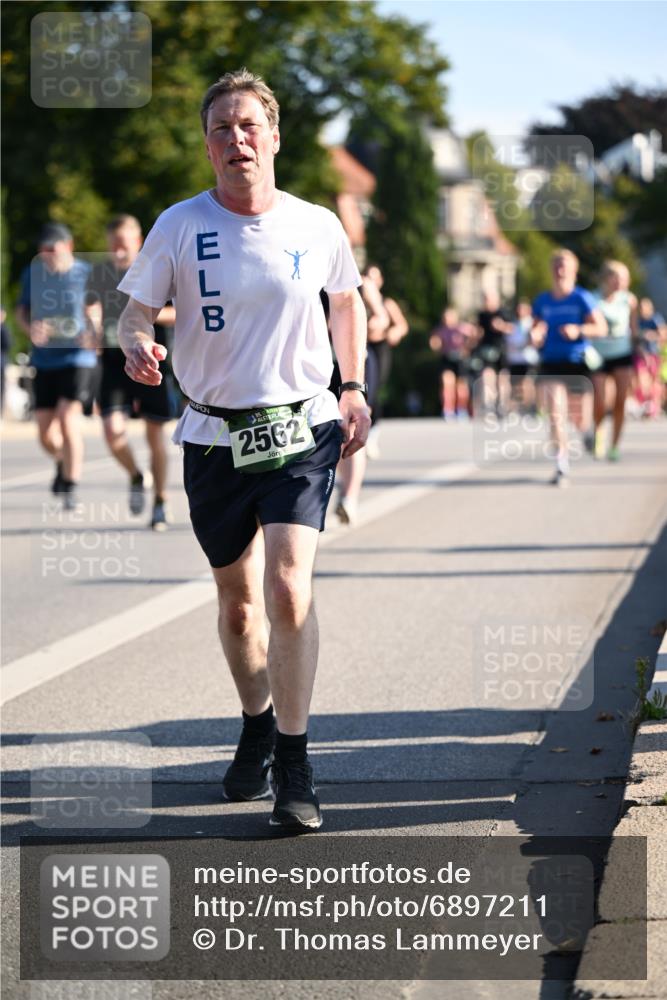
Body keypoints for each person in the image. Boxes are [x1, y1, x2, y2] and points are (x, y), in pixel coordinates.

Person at [117, 68, 370, 831]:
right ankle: (256, 720)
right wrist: (136, 345)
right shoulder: (178, 225)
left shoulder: (316, 224)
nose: (236, 139)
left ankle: (294, 764)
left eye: (248, 125)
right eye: (221, 128)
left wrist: (352, 386)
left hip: (301, 429)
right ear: (207, 147)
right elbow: (133, 314)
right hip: (213, 436)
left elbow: (345, 302)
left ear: (274, 137)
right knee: (238, 608)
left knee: (288, 587)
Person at [89, 215, 176, 529]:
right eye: (114, 245)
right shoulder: (100, 273)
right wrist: (94, 323)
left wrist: (139, 318)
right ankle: (137, 476)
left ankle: (161, 502)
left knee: (155, 435)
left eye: (124, 244)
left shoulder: (153, 270)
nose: (119, 251)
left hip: (151, 359)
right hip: (113, 364)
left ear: (137, 242)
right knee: (113, 432)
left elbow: (178, 312)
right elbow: (91, 307)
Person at [15, 223, 98, 509]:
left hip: (78, 358)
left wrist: (95, 325)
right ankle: (63, 461)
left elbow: (103, 309)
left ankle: (71, 485)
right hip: (44, 359)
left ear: (68, 247)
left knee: (67, 419)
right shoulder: (32, 274)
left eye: (53, 249)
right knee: (44, 432)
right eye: (43, 250)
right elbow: (21, 311)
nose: (48, 255)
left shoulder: (87, 273)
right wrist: (30, 329)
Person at [531, 249, 607, 487]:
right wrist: (534, 336)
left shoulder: (582, 298)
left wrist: (579, 330)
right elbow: (534, 330)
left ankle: (586, 434)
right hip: (551, 363)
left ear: (574, 271)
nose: (560, 270)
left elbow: (601, 329)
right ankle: (561, 466)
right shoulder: (542, 301)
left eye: (564, 266)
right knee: (555, 413)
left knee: (579, 419)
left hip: (577, 363)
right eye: (556, 265)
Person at [591, 261, 638, 461]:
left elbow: (634, 330)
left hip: (622, 353)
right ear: (606, 278)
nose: (621, 282)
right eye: (617, 277)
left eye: (625, 278)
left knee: (620, 401)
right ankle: (598, 433)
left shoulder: (629, 300)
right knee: (600, 401)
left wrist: (640, 350)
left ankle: (615, 445)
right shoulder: (592, 299)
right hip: (598, 355)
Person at [362, 264, 408, 458]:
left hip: (379, 347)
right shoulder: (356, 300)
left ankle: (373, 432)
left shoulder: (386, 303)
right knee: (362, 389)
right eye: (368, 277)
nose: (372, 282)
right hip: (360, 347)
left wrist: (392, 333)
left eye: (375, 278)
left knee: (375, 389)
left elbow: (402, 326)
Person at [471, 291, 514, 416]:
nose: (487, 302)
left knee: (502, 378)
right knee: (487, 375)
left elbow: (512, 329)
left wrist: (501, 326)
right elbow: (478, 331)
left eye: (489, 299)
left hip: (501, 348)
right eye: (485, 299)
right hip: (486, 348)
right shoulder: (482, 314)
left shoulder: (503, 312)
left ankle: (502, 404)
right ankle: (489, 404)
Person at [429, 306, 476, 419]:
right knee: (447, 383)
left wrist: (467, 347)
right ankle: (448, 409)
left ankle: (461, 409)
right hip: (447, 359)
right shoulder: (441, 330)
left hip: (460, 360)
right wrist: (436, 344)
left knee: (461, 387)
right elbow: (435, 343)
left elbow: (475, 335)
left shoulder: (463, 328)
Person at [505, 299, 539, 413]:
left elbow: (534, 340)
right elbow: (508, 341)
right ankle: (517, 408)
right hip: (515, 359)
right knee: (515, 385)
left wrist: (525, 343)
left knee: (527, 383)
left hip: (528, 359)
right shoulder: (513, 324)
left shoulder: (532, 323)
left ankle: (530, 407)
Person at [634, 297, 665, 420]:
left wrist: (651, 335)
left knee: (654, 381)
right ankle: (644, 404)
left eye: (644, 307)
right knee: (641, 381)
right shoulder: (637, 320)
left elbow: (662, 334)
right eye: (640, 307)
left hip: (654, 354)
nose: (642, 310)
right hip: (640, 354)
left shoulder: (655, 319)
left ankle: (654, 406)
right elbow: (634, 337)